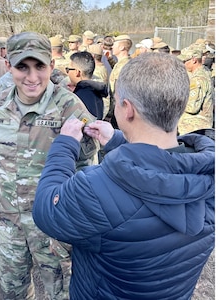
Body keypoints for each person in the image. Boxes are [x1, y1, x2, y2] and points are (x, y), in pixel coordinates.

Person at [32, 52, 215, 300]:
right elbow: (164, 171)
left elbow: (46, 209)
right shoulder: (208, 173)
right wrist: (119, 140)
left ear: (127, 109)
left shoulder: (96, 190)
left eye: (117, 101)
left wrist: (65, 145)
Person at [0, 31, 98, 299]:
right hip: (9, 221)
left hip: (55, 224)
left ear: (51, 66)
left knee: (63, 292)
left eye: (39, 66)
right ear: (8, 66)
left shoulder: (69, 106)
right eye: (22, 67)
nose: (32, 77)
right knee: (13, 289)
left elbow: (88, 165)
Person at [177, 47, 214, 135]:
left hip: (193, 129)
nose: (183, 64)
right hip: (196, 128)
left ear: (194, 60)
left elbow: (192, 107)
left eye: (185, 61)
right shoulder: (204, 71)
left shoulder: (198, 79)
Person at [66, 51, 107, 120]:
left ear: (77, 72)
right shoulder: (95, 91)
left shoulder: (79, 97)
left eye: (68, 69)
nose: (67, 73)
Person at [108, 34, 132, 128]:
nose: (112, 46)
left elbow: (117, 92)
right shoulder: (123, 63)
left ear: (122, 47)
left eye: (115, 44)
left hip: (119, 110)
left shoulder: (123, 66)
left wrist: (110, 113)